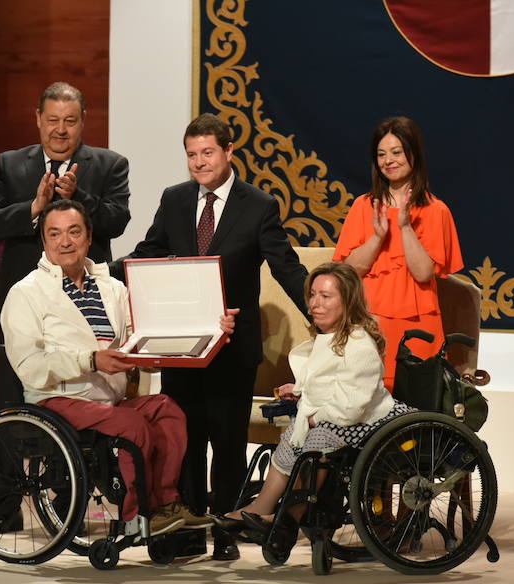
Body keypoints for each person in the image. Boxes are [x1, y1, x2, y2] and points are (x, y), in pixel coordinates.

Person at [115, 113, 308, 560]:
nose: (199, 163)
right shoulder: (175, 199)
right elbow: (148, 254)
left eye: (207, 153)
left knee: (226, 445)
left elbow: (285, 265)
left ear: (228, 153)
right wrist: (101, 274)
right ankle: (184, 531)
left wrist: (322, 310)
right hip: (182, 348)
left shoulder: (258, 205)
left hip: (232, 350)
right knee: (183, 441)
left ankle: (225, 531)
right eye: (191, 155)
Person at [0, 199, 235, 535]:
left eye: (73, 231)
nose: (65, 241)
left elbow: (145, 337)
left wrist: (212, 328)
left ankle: (167, 503)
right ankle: (139, 513)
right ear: (44, 241)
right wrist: (91, 359)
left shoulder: (113, 288)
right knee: (131, 423)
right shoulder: (26, 293)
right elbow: (29, 365)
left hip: (108, 398)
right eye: (55, 234)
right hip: (56, 398)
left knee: (168, 410)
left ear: (89, 236)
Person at [0, 82, 130, 533]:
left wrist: (79, 197)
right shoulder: (12, 164)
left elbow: (117, 221)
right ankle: (5, 508)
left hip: (83, 309)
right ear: (37, 120)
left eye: (69, 121)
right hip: (22, 306)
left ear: (82, 122)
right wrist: (35, 206)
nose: (59, 130)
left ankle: (71, 506)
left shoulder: (108, 164)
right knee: (10, 408)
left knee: (78, 402)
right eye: (52, 121)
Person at [214, 262, 415, 550]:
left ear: (347, 302)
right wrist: (299, 392)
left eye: (326, 296)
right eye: (313, 295)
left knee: (316, 439)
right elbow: (328, 381)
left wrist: (313, 416)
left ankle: (288, 518)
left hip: (368, 420)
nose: (315, 304)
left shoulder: (359, 345)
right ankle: (262, 507)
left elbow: (353, 404)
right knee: (290, 439)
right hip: (339, 417)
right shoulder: (329, 337)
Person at [333, 116, 463, 391]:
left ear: (413, 154)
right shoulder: (363, 206)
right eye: (381, 154)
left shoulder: (436, 211)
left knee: (414, 409)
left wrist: (404, 227)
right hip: (369, 323)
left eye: (396, 152)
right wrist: (378, 237)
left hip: (417, 329)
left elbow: (423, 272)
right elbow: (349, 271)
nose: (388, 160)